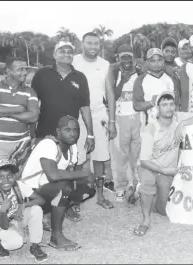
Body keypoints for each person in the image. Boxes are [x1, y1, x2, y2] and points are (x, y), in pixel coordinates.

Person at [134, 91, 193, 236]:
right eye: (164, 105)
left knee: (165, 211)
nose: (169, 108)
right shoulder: (150, 128)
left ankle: (149, 196)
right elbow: (144, 161)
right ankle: (145, 220)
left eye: (171, 104)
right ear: (157, 108)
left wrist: (183, 123)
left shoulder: (178, 120)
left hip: (166, 170)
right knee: (148, 182)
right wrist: (164, 171)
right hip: (148, 167)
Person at [21, 115, 96, 251]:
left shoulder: (72, 147)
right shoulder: (48, 144)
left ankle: (47, 215)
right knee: (64, 189)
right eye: (68, 130)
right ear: (58, 131)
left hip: (45, 190)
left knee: (88, 189)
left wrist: (86, 179)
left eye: (75, 130)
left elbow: (69, 174)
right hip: (28, 193)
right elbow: (54, 175)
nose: (72, 133)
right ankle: (56, 237)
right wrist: (84, 173)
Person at [72, 32, 117, 210]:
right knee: (77, 160)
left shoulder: (105, 64)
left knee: (100, 159)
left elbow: (110, 94)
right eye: (89, 43)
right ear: (82, 44)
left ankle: (100, 196)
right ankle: (74, 198)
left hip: (99, 116)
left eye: (96, 44)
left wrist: (112, 121)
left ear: (100, 45)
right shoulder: (73, 61)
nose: (93, 47)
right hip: (77, 116)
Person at [32, 40, 94, 154]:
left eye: (70, 52)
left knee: (68, 168)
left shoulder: (80, 77)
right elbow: (32, 104)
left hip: (69, 136)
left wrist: (90, 134)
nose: (66, 54)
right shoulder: (41, 74)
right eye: (62, 51)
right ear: (54, 55)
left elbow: (85, 107)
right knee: (43, 168)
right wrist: (31, 135)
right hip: (44, 134)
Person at [0, 57, 39, 179]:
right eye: (20, 69)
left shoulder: (30, 91)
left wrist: (5, 112)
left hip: (22, 145)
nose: (24, 72)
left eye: (26, 69)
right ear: (8, 71)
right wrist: (19, 109)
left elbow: (33, 117)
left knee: (21, 182)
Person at [0, 159, 48, 262]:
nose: (6, 180)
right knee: (16, 244)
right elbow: (4, 226)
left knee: (36, 209)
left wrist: (24, 205)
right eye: (1, 177)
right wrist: (3, 210)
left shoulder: (18, 185)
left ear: (14, 176)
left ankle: (35, 246)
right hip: (1, 225)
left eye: (10, 176)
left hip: (16, 219)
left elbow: (41, 200)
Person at [108, 44, 143, 203]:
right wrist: (122, 81)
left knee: (137, 154)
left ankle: (135, 184)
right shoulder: (113, 73)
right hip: (120, 117)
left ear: (133, 58)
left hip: (138, 117)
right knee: (120, 155)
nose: (127, 61)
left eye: (129, 57)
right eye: (123, 57)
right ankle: (120, 187)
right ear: (118, 58)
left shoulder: (141, 73)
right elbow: (111, 97)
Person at [133, 48, 180, 124]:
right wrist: (152, 102)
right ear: (147, 62)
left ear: (163, 61)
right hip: (151, 125)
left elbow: (177, 104)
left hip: (171, 124)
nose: (157, 63)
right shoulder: (140, 80)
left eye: (159, 60)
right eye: (152, 61)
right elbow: (136, 106)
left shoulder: (171, 79)